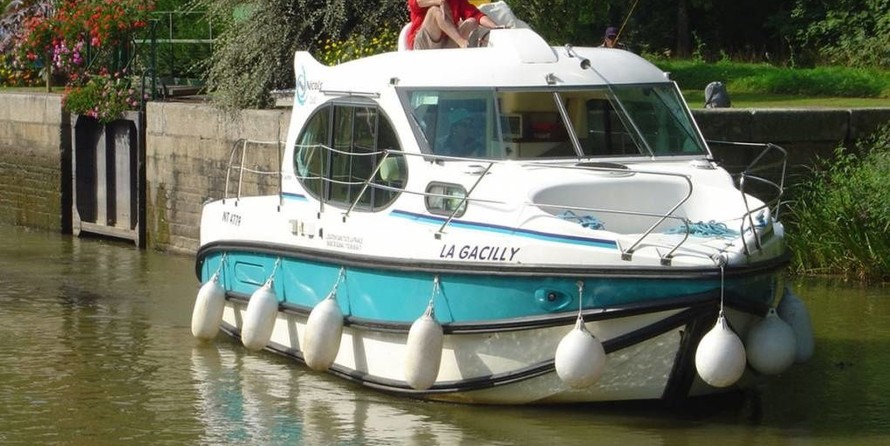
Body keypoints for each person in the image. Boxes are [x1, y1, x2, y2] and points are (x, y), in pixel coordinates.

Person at [407, 0, 500, 50]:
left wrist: (496, 27)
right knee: (434, 10)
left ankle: (465, 51)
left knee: (472, 21)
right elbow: (416, 2)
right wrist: (439, 2)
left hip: (446, 45)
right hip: (424, 45)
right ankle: (463, 44)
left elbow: (476, 15)